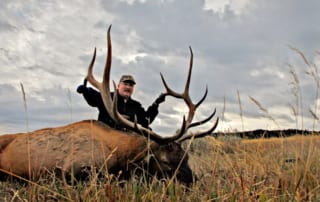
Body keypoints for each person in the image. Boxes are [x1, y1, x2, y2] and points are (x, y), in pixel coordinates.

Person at [77, 75, 166, 129]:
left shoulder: (136, 106)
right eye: (125, 84)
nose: (128, 87)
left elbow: (146, 120)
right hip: (105, 136)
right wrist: (86, 91)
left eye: (131, 85)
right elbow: (94, 99)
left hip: (127, 141)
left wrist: (156, 104)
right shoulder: (108, 96)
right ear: (118, 86)